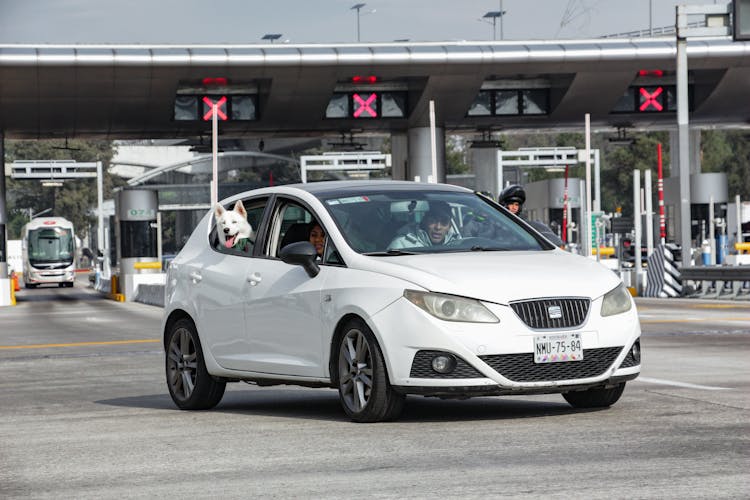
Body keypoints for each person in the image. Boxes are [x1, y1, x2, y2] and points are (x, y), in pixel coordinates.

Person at [498, 184, 564, 247]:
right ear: (504, 204)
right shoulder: (494, 225)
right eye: (511, 204)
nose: (514, 207)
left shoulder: (528, 225)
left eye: (517, 205)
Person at [388, 201, 460, 249]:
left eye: (444, 222)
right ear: (424, 222)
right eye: (433, 221)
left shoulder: (459, 246)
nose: (438, 227)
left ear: (449, 226)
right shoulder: (401, 244)